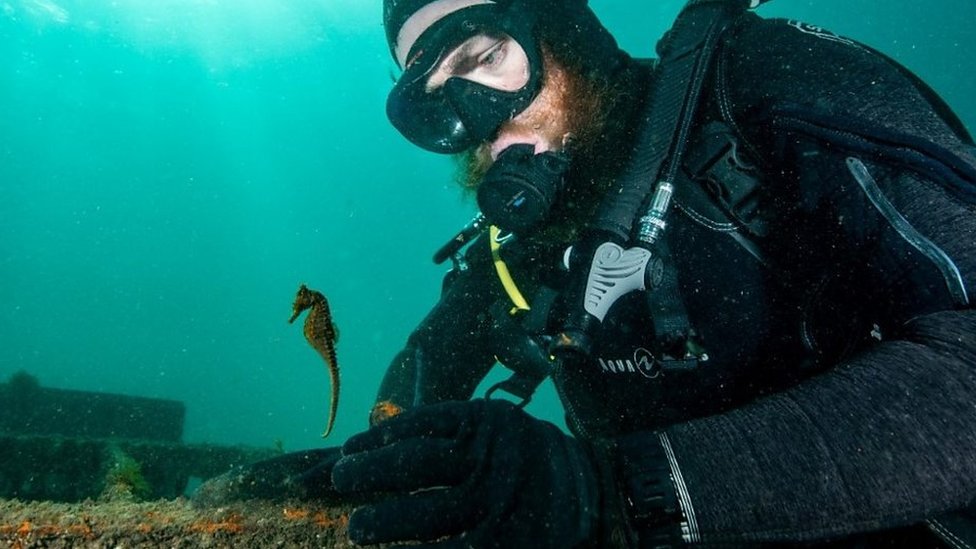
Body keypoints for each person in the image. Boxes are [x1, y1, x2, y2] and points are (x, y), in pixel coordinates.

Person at [197, 0, 976, 546]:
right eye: (433, 100)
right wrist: (378, 466)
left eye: (483, 56)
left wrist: (609, 491)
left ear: (562, 25)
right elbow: (426, 369)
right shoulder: (519, 253)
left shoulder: (762, 85)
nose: (474, 117)